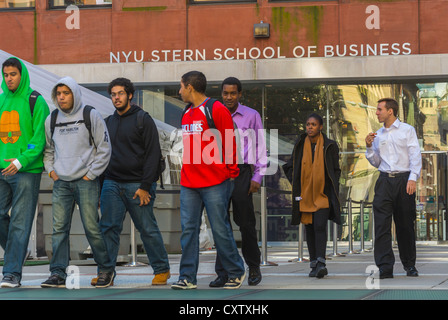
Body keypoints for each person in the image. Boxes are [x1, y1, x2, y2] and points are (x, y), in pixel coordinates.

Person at [171, 71, 245, 290]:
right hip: (189, 183)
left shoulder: (216, 109)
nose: (179, 91)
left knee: (220, 229)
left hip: (215, 181)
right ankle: (187, 277)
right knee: (188, 231)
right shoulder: (186, 112)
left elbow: (230, 140)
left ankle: (235, 272)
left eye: (181, 86)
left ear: (190, 88)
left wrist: (230, 172)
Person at [41, 76, 114, 288]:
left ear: (75, 93)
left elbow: (104, 149)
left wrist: (90, 175)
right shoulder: (51, 119)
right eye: (59, 94)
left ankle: (106, 270)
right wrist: (52, 172)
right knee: (58, 230)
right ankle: (57, 274)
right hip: (61, 182)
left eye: (66, 93)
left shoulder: (91, 115)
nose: (61, 97)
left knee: (92, 228)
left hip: (86, 182)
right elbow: (48, 151)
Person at [98, 77, 170, 286]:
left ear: (130, 95)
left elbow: (153, 155)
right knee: (108, 228)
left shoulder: (143, 119)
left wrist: (145, 186)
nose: (116, 97)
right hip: (111, 183)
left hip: (138, 184)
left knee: (147, 228)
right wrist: (102, 188)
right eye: (113, 94)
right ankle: (106, 273)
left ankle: (162, 270)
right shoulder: (108, 122)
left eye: (120, 93)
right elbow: (103, 156)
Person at [209, 77, 266, 287]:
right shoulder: (214, 114)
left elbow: (260, 146)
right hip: (218, 173)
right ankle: (223, 272)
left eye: (233, 93)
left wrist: (257, 176)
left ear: (239, 94)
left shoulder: (251, 115)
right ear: (221, 93)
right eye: (226, 93)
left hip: (242, 173)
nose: (229, 97)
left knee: (246, 224)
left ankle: (253, 267)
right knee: (219, 224)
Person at [0, 57, 50, 287]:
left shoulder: (36, 101)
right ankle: (17, 252)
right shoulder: (1, 101)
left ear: (22, 75)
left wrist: (20, 161)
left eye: (13, 74)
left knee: (20, 222)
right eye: (6, 75)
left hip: (27, 171)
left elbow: (39, 139)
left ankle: (11, 273)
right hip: (2, 170)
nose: (9, 79)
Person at [365, 98, 421, 279]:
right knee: (381, 226)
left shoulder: (407, 130)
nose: (376, 112)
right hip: (384, 181)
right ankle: (385, 267)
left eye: (379, 109)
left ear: (390, 111)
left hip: (404, 180)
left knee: (405, 225)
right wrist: (368, 147)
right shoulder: (378, 135)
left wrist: (413, 178)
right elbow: (376, 162)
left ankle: (409, 265)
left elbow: (415, 155)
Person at [282, 113, 341, 278]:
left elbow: (335, 169)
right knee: (309, 228)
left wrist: (333, 186)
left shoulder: (330, 145)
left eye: (313, 124)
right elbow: (291, 165)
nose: (310, 127)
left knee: (320, 226)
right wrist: (296, 183)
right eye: (308, 124)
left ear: (320, 127)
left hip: (323, 195)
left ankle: (321, 263)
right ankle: (314, 263)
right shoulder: (300, 144)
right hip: (305, 194)